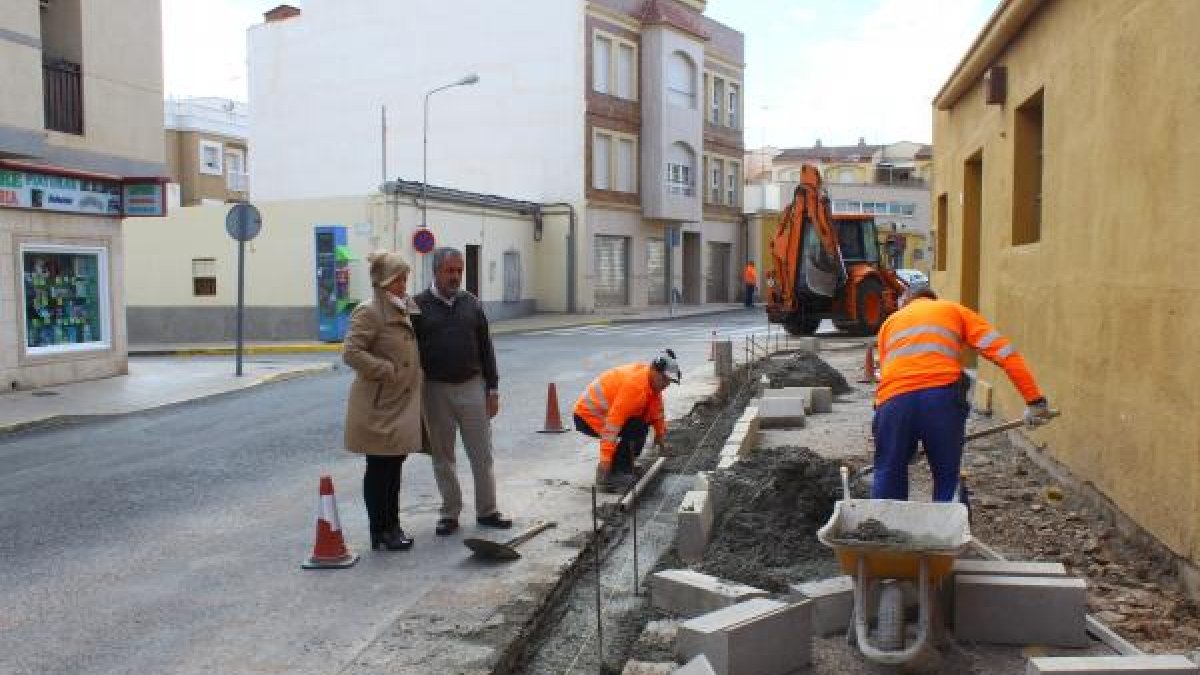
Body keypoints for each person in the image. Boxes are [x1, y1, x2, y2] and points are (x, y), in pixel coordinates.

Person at [871, 279, 1051, 501]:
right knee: (947, 476)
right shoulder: (953, 310)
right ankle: (950, 530)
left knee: (889, 471)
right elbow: (1004, 353)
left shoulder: (889, 324)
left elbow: (884, 376)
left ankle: (884, 530)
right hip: (941, 400)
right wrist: (1035, 401)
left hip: (894, 402)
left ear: (906, 301)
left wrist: (894, 436)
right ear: (932, 298)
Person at [412, 247, 512, 536]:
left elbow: (486, 349)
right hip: (434, 391)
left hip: (472, 387)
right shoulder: (417, 307)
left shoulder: (472, 304)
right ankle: (450, 512)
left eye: (459, 270)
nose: (455, 276)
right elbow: (411, 351)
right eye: (450, 271)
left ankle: (488, 510)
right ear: (436, 271)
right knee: (443, 456)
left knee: (481, 454)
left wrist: (492, 389)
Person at [342, 251, 423, 551]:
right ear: (385, 281)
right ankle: (384, 529)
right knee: (381, 469)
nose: (404, 284)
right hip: (379, 404)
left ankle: (390, 527)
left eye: (405, 278)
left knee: (393, 465)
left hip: (397, 402)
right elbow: (351, 352)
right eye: (399, 279)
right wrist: (385, 370)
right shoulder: (370, 311)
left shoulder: (400, 307)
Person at [573, 350, 681, 493]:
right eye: (665, 379)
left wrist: (660, 435)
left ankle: (624, 467)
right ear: (654, 370)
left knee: (641, 424)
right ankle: (610, 476)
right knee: (636, 427)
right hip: (588, 416)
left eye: (669, 381)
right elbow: (612, 427)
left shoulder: (650, 384)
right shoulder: (635, 387)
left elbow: (656, 411)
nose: (666, 384)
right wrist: (605, 461)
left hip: (603, 415)